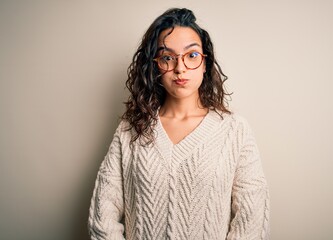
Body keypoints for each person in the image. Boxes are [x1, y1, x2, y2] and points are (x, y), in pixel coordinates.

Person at [88, 8, 270, 240]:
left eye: (192, 55)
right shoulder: (130, 129)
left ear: (205, 63)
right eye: (167, 57)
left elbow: (250, 219)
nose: (180, 68)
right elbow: (103, 216)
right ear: (154, 66)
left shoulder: (234, 131)